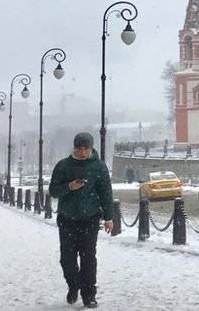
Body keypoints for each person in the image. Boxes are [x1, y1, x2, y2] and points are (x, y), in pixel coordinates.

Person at [49, 132, 114, 308]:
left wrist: (109, 217)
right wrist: (69, 186)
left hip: (89, 218)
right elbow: (53, 190)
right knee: (67, 259)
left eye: (86, 148)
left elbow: (106, 193)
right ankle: (73, 284)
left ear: (91, 148)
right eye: (80, 149)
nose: (83, 153)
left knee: (88, 258)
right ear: (75, 148)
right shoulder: (63, 166)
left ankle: (89, 294)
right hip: (67, 218)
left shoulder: (99, 167)